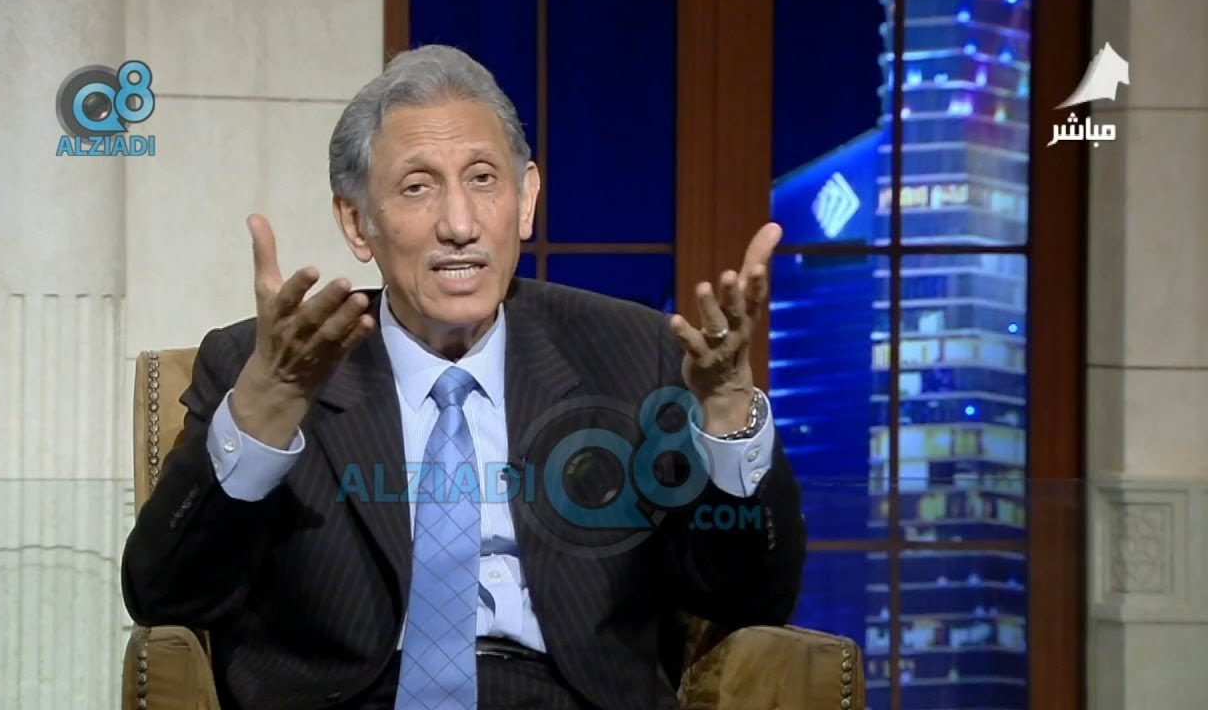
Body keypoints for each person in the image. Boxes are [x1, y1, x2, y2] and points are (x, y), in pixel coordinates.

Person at [121, 44, 806, 710]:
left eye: (483, 180)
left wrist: (728, 412)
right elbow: (165, 595)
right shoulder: (265, 365)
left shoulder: (631, 354)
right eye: (417, 187)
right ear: (357, 222)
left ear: (526, 198)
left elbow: (750, 596)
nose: (459, 224)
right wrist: (268, 409)